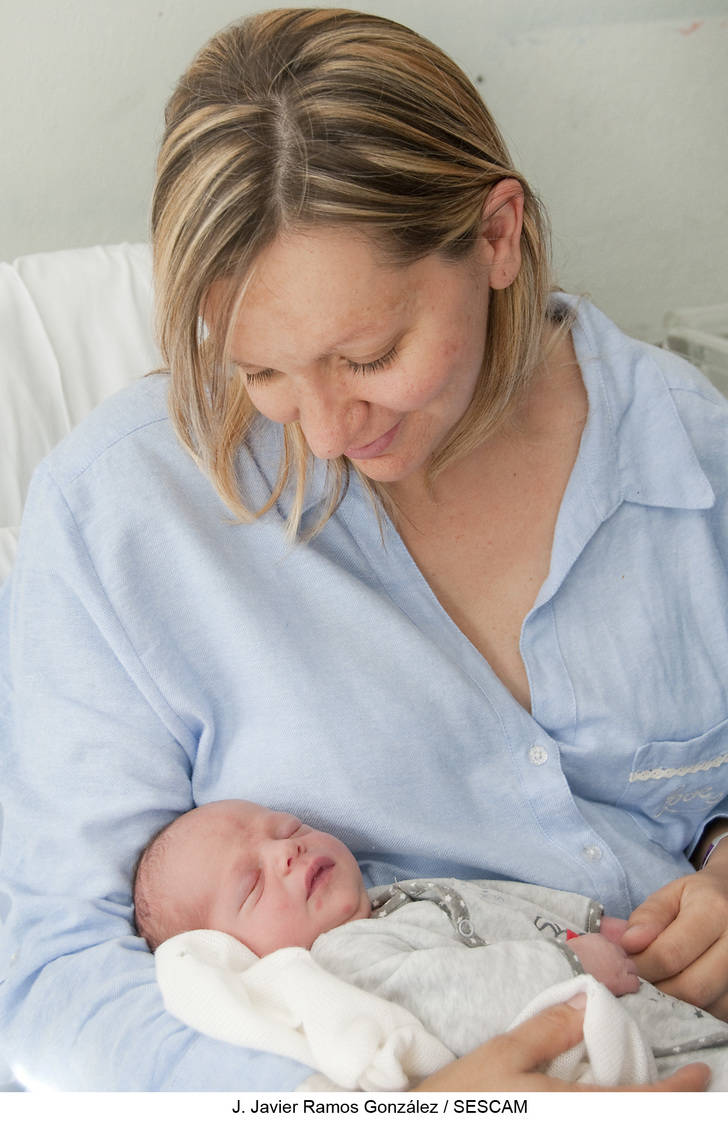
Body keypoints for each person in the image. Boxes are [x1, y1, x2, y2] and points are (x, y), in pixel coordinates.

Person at [0, 6, 723, 1092]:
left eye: (369, 355)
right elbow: (49, 973)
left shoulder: (686, 451)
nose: (328, 434)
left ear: (494, 237)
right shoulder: (121, 524)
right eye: (261, 373)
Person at [135, 800, 728, 1090]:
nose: (284, 851)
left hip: (674, 1009)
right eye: (253, 885)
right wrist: (571, 959)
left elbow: (504, 898)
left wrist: (595, 921)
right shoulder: (343, 964)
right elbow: (456, 1003)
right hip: (642, 1060)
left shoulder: (401, 895)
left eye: (287, 829)